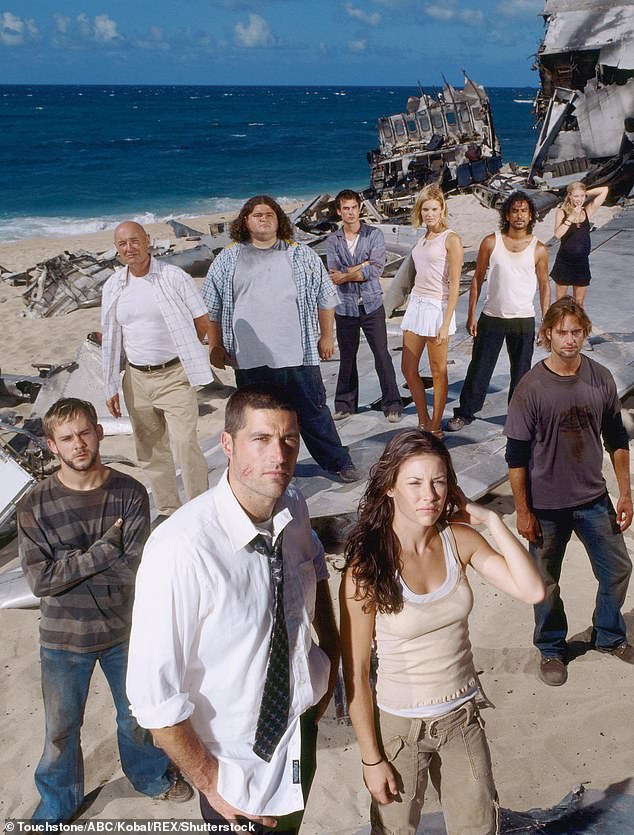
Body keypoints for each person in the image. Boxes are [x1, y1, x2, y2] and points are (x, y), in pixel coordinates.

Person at [126, 384, 340, 833]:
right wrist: (210, 783)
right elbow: (153, 699)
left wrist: (330, 656)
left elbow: (316, 569)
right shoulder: (181, 549)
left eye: (288, 439)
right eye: (260, 440)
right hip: (234, 761)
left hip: (301, 728)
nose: (278, 456)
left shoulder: (294, 507)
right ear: (227, 443)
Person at [340, 429, 545, 835]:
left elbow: (532, 589)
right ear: (390, 488)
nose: (429, 495)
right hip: (400, 729)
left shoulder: (460, 541)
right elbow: (357, 673)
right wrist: (371, 758)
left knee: (481, 828)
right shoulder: (366, 568)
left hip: (462, 720)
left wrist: (489, 518)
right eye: (414, 483)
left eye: (438, 481)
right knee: (394, 831)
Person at [17, 397, 191, 823]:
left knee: (136, 717)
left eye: (84, 433)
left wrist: (72, 565)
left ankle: (149, 777)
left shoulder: (129, 493)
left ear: (97, 431)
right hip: (63, 637)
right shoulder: (34, 505)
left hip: (124, 631)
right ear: (52, 446)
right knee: (60, 729)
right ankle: (58, 803)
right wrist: (101, 552)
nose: (78, 444)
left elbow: (132, 571)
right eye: (66, 438)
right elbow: (41, 582)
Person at [505, 297, 633, 687]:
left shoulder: (600, 378)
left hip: (593, 498)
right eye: (561, 332)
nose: (570, 339)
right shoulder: (531, 388)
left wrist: (625, 493)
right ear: (547, 335)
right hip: (545, 506)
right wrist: (523, 511)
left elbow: (617, 439)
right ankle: (551, 647)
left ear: (585, 333)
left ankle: (608, 634)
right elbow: (516, 458)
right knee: (544, 583)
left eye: (576, 331)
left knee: (618, 569)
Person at [202, 195, 358, 482]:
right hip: (249, 359)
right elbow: (212, 305)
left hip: (296, 354)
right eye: (257, 215)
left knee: (313, 414)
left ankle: (338, 463)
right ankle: (255, 469)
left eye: (269, 214)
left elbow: (326, 298)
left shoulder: (300, 255)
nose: (263, 218)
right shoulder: (228, 258)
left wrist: (327, 337)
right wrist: (215, 345)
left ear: (279, 220)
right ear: (245, 222)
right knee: (254, 421)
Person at [101, 220, 212, 520]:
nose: (129, 248)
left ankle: (199, 508)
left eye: (135, 241)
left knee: (185, 443)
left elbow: (202, 319)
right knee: (150, 450)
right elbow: (111, 338)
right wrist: (110, 385)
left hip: (174, 376)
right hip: (136, 379)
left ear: (147, 240)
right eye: (123, 244)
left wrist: (195, 349)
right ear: (117, 249)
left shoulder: (173, 276)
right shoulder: (113, 286)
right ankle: (168, 510)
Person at [446, 190, 550, 433]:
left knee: (521, 374)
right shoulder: (490, 241)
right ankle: (465, 413)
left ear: (531, 214)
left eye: (524, 211)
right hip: (492, 316)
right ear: (507, 214)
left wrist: (546, 321)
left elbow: (545, 286)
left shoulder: (539, 249)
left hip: (523, 318)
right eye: (514, 210)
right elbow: (477, 279)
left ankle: (518, 418)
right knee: (480, 367)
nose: (519, 216)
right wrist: (471, 314)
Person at [325, 188, 403, 423]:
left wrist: (349, 274)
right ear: (339, 212)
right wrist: (362, 265)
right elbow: (333, 272)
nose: (350, 212)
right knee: (348, 356)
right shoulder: (332, 240)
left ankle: (392, 405)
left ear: (360, 209)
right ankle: (345, 404)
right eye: (345, 208)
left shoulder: (374, 235)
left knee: (382, 354)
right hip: (345, 308)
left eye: (354, 207)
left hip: (371, 305)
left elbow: (376, 269)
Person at [400, 185, 463, 436]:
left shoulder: (451, 239)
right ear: (420, 211)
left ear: (442, 209)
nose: (429, 214)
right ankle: (423, 419)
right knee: (408, 369)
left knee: (438, 371)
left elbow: (456, 284)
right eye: (425, 209)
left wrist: (446, 323)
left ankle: (436, 426)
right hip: (417, 305)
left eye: (434, 209)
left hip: (438, 307)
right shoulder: (421, 239)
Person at [551, 182, 608, 307]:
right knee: (561, 302)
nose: (579, 199)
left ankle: (578, 325)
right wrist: (572, 215)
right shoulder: (562, 212)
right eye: (576, 196)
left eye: (582, 196)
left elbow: (605, 190)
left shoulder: (587, 211)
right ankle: (559, 325)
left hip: (581, 262)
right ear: (569, 196)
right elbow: (558, 234)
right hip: (565, 262)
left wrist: (585, 192)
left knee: (579, 302)